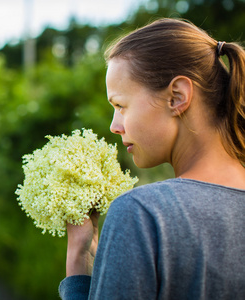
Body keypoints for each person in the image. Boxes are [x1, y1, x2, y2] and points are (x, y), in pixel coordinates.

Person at [59, 18, 245, 300]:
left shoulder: (142, 214)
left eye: (121, 105)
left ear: (177, 97)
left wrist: (77, 262)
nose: (114, 125)